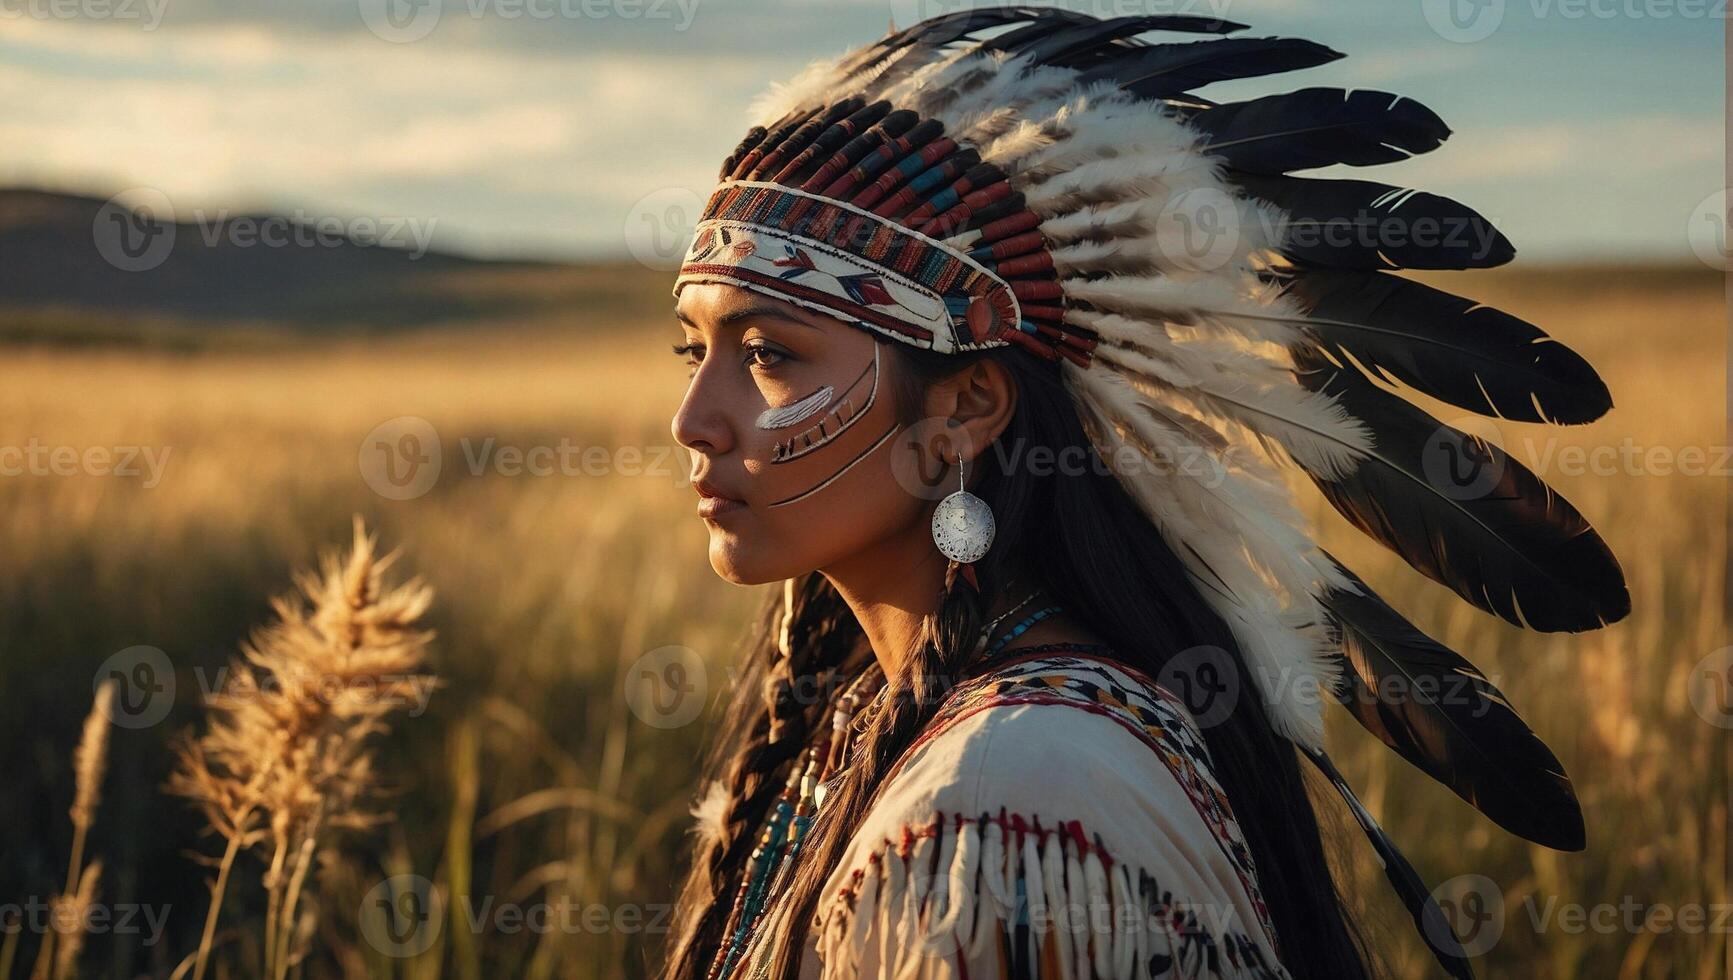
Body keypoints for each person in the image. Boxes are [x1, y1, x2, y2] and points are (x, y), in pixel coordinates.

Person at [657, 11, 1627, 980]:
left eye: (768, 355)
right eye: (692, 350)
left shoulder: (1011, 800)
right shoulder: (892, 722)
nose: (692, 419)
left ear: (964, 407)